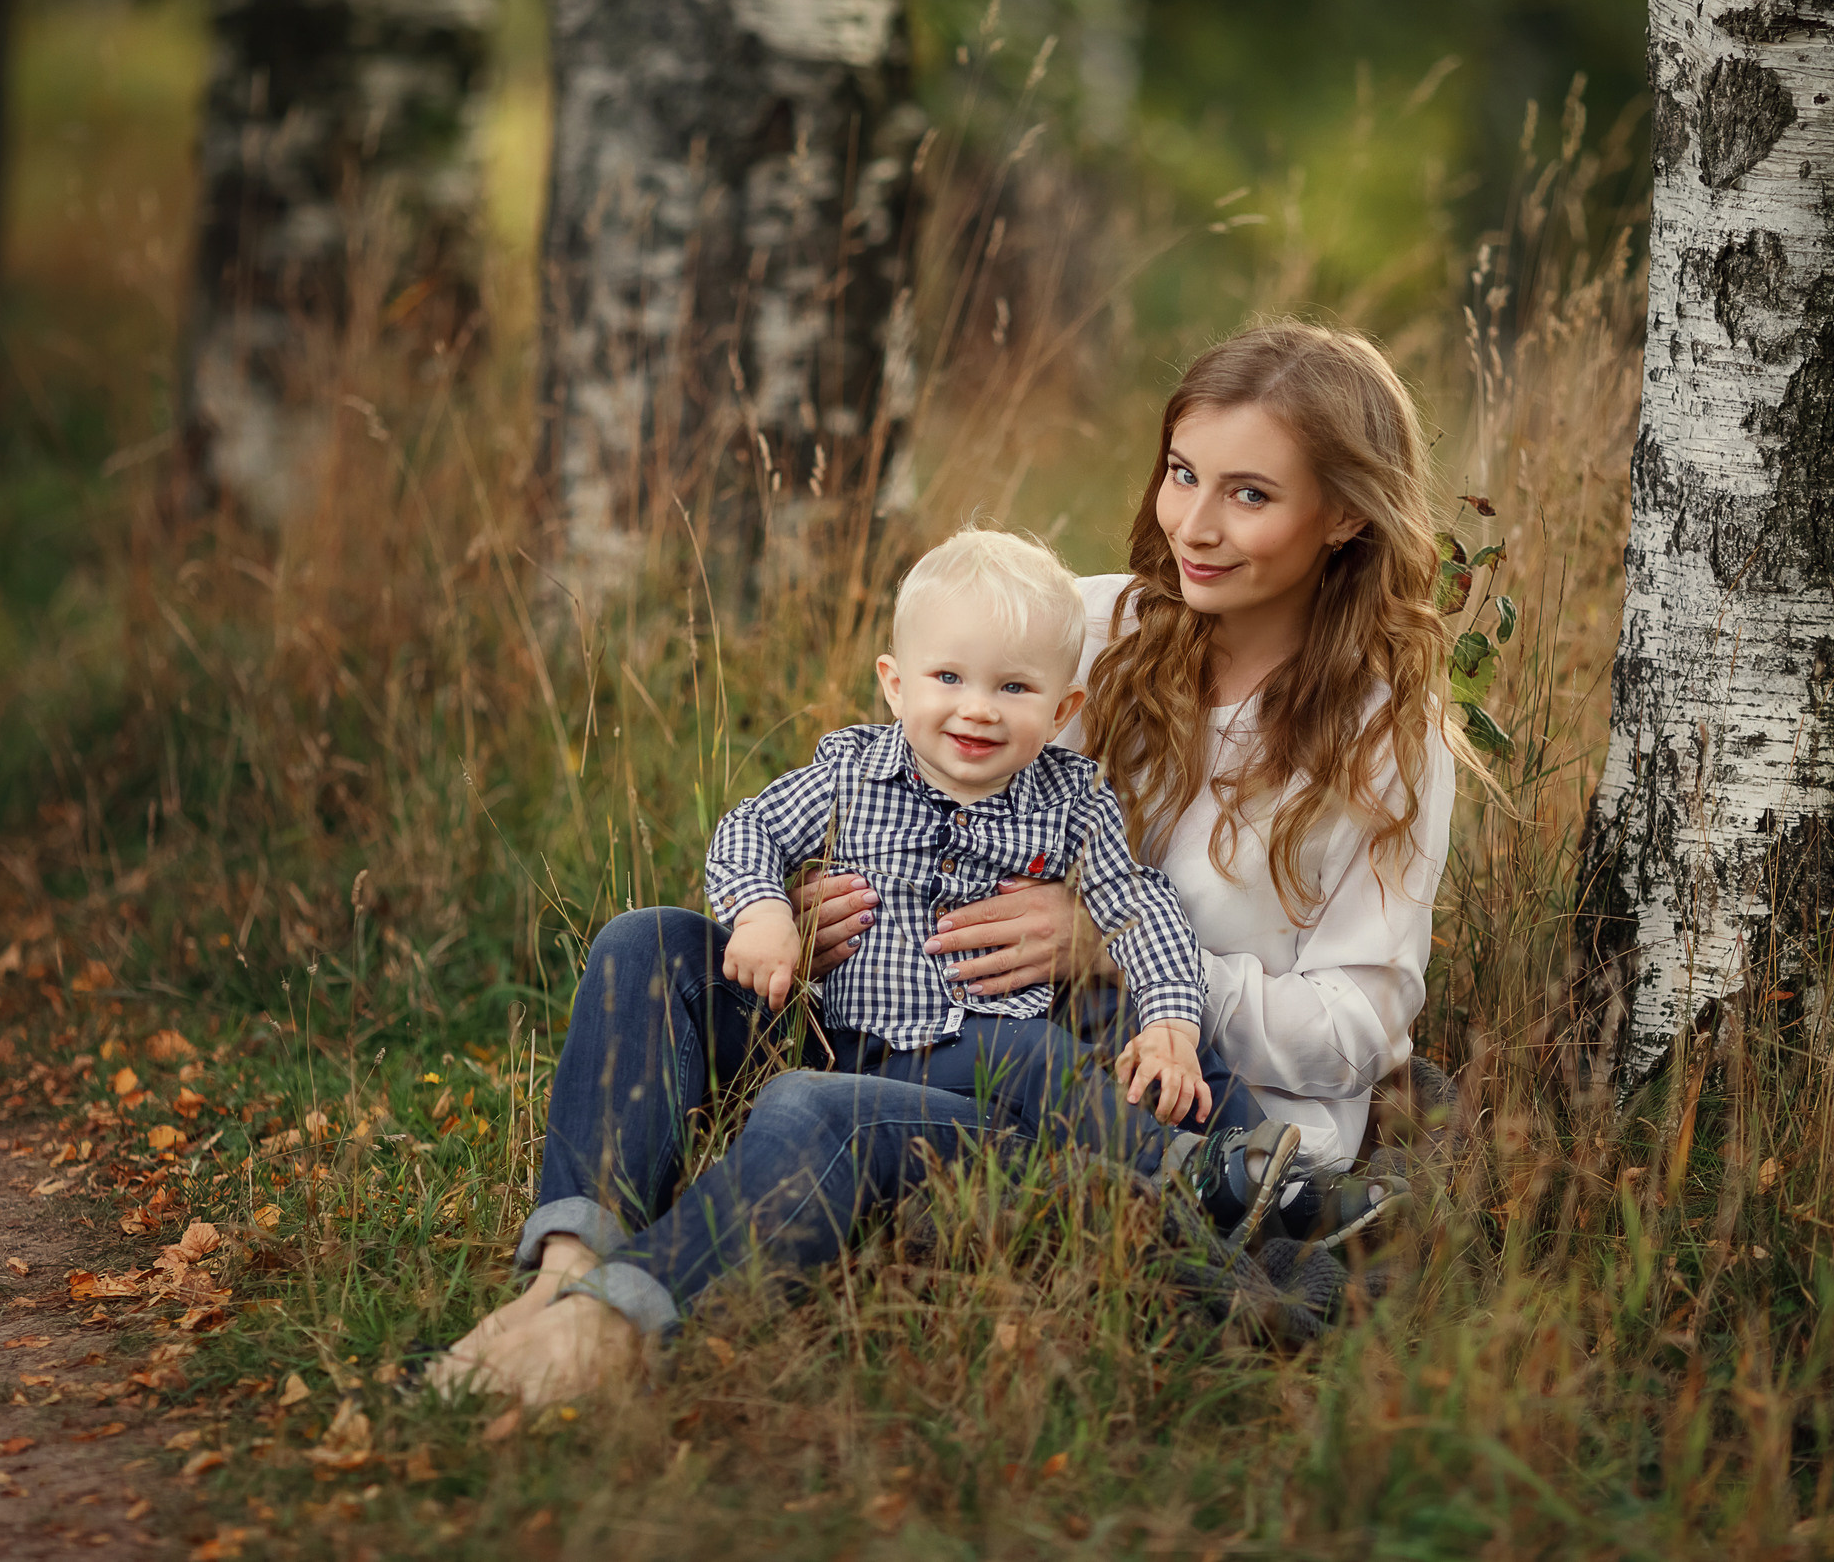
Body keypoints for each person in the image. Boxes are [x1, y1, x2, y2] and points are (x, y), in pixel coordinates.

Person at [436, 319, 1466, 1406]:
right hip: (927, 1006)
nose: (1194, 527)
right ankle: (567, 1265)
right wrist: (807, 904)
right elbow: (912, 767)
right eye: (1181, 475)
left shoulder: (1386, 738)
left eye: (1248, 495)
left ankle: (606, 1337)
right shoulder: (1091, 623)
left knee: (809, 1112)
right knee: (648, 948)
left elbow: (1363, 1030)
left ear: (1345, 514)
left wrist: (1108, 951)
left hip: (1133, 1097)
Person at [706, 525, 1216, 1134]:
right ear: (896, 686)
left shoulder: (1074, 801)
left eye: (1014, 687)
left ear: (1061, 712)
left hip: (989, 1070)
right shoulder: (851, 776)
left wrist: (1171, 1026)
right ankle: (1185, 1170)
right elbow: (750, 828)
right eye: (948, 678)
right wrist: (763, 914)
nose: (979, 708)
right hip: (870, 1047)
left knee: (1091, 1041)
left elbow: (1140, 908)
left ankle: (1252, 1166)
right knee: (1038, 1057)